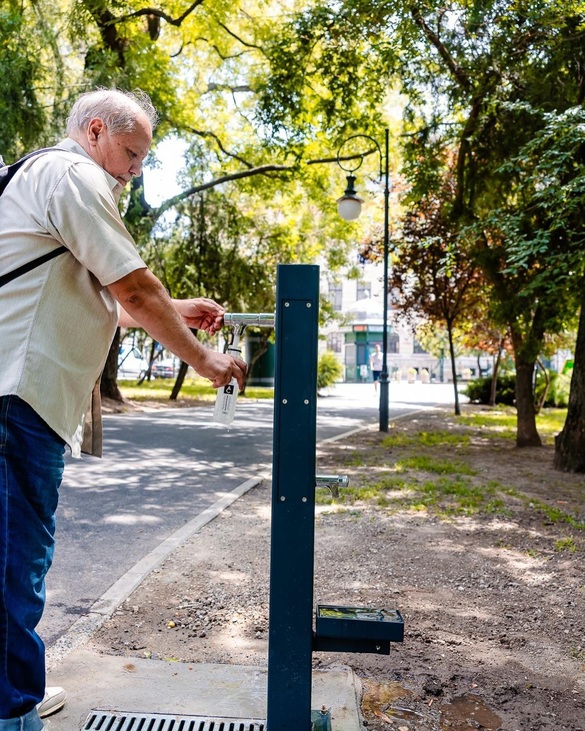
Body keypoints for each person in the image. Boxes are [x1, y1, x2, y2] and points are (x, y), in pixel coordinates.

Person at [0, 88, 247, 731]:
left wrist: (171, 310)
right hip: (17, 404)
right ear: (97, 130)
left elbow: (83, 295)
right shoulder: (72, 172)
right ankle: (14, 714)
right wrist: (203, 359)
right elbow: (133, 285)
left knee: (12, 561)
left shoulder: (33, 179)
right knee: (14, 566)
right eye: (132, 151)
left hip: (16, 398)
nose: (136, 167)